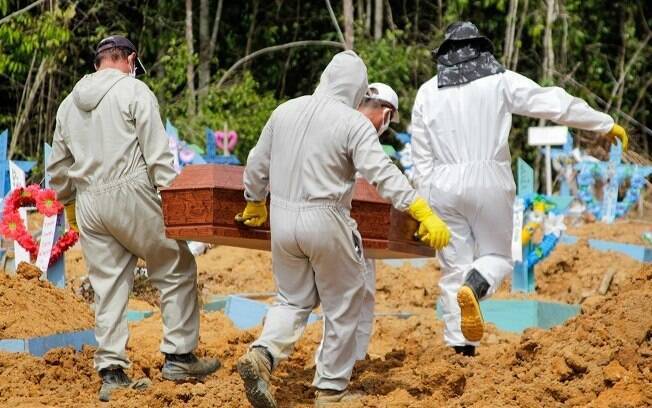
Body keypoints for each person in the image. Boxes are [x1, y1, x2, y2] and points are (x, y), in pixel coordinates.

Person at [234, 51, 450, 408]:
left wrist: (255, 200)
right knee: (345, 300)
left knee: (291, 300)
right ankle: (331, 391)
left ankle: (264, 354)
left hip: (282, 219)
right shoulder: (353, 123)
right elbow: (382, 174)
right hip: (327, 217)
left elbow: (257, 161)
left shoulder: (284, 110)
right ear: (357, 90)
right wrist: (421, 210)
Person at [410, 21, 629, 357]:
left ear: (445, 54)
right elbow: (553, 103)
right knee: (497, 256)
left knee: (454, 267)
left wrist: (424, 206)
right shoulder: (499, 80)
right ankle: (477, 284)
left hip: (442, 185)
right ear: (482, 50)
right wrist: (603, 122)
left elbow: (420, 156)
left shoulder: (426, 92)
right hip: (489, 180)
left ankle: (460, 351)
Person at [47, 35, 219, 401]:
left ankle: (111, 371)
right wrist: (176, 205)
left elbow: (57, 166)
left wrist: (69, 202)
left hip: (89, 200)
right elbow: (158, 158)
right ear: (130, 59)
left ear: (97, 63)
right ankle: (179, 356)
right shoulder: (135, 91)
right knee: (175, 266)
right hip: (131, 189)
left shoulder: (66, 106)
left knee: (108, 286)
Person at [354, 82, 401, 361]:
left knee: (296, 302)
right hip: (353, 234)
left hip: (305, 227)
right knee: (356, 300)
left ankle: (268, 352)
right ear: (385, 115)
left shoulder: (332, 126)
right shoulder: (365, 141)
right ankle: (343, 367)